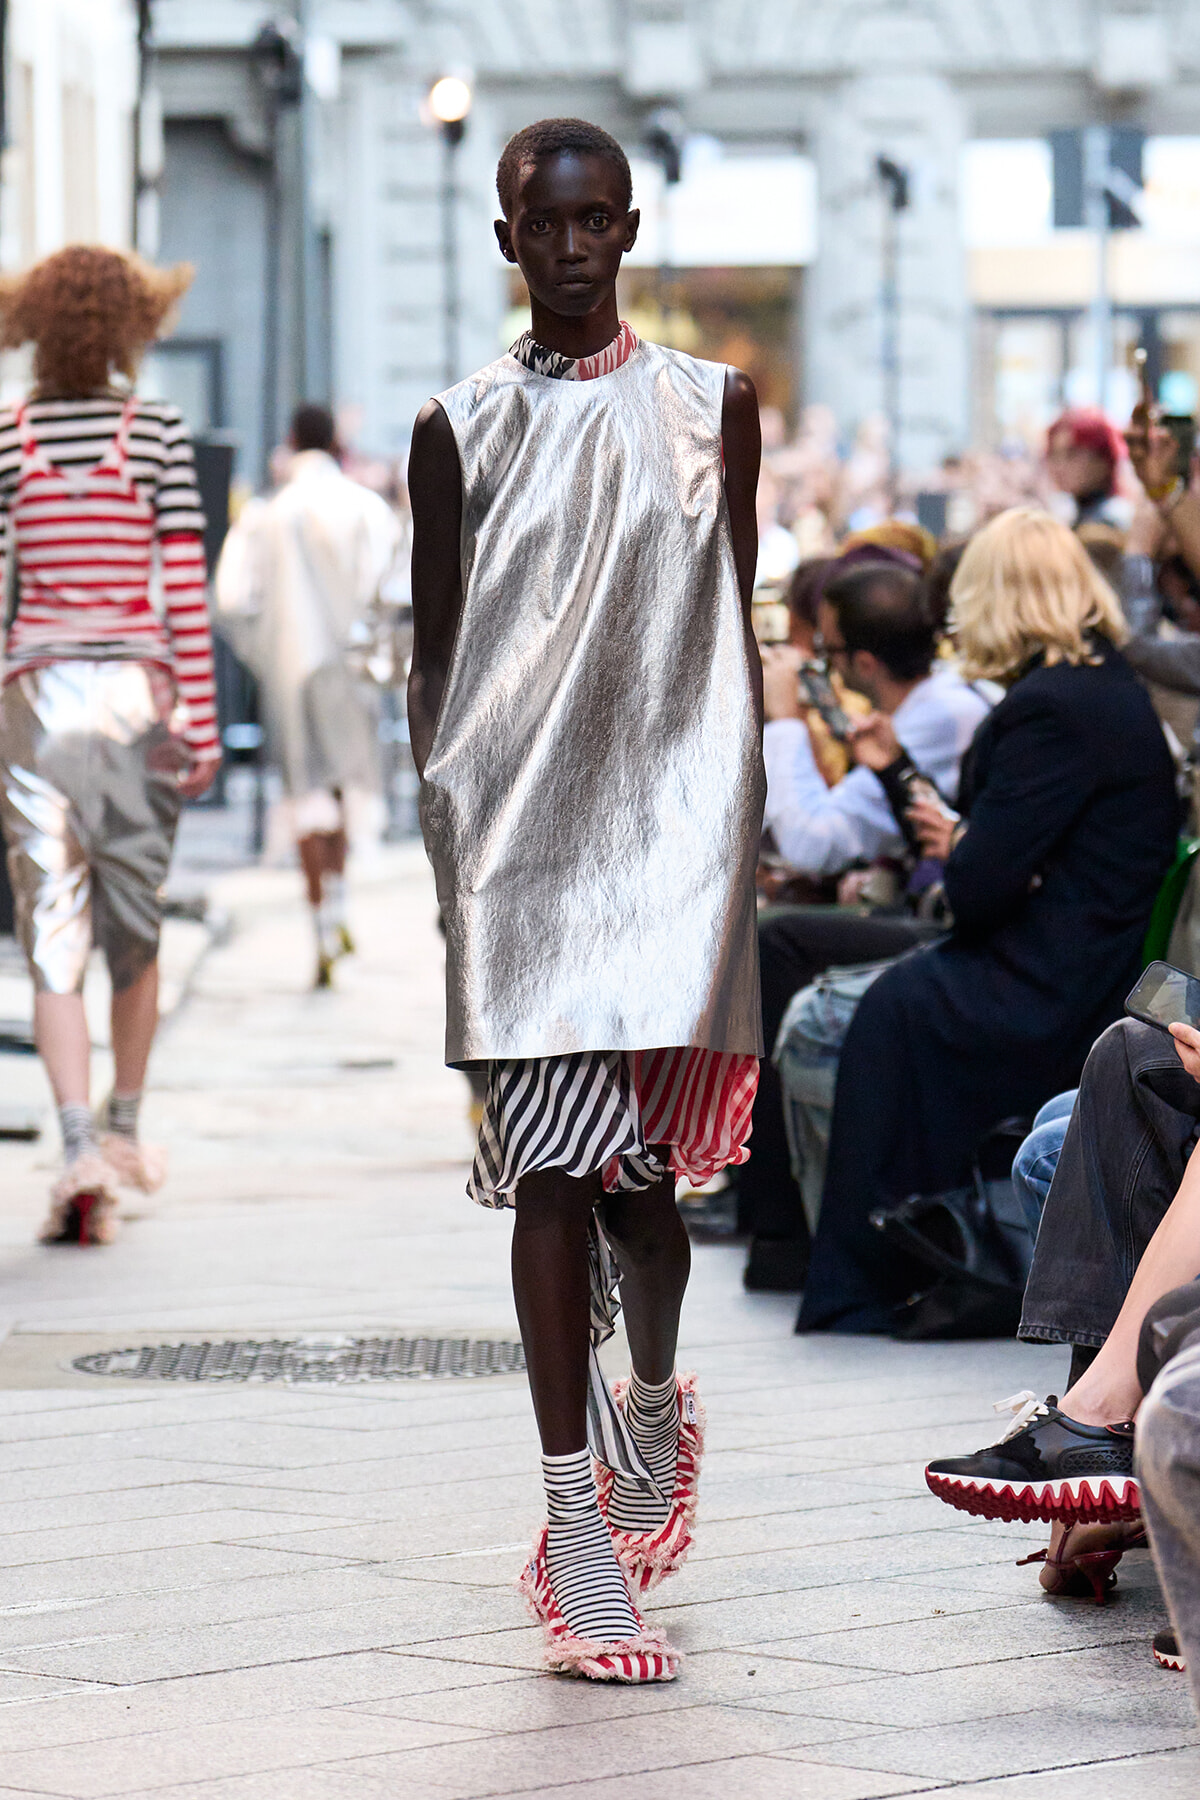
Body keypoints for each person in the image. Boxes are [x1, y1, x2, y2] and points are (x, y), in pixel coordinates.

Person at [407, 118, 763, 1682]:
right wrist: (451, 850)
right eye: (538, 223)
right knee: (552, 1180)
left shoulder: (709, 407)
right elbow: (436, 660)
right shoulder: (458, 424)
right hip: (518, 848)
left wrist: (732, 831)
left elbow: (735, 624)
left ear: (628, 231)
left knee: (645, 1195)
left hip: (672, 841)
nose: (566, 246)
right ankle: (575, 1534)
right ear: (506, 239)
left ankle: (658, 1407)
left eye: (592, 221)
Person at [794, 507, 1178, 1334]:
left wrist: (970, 846)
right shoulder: (1097, 687)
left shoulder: (1050, 706)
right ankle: (855, 1263)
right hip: (1074, 960)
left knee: (890, 1013)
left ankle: (867, 1274)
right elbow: (999, 861)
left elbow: (976, 884)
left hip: (1051, 977)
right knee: (889, 1000)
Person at [0, 247, 219, 1244]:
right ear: (132, 326)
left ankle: (77, 1143)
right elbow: (183, 585)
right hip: (135, 698)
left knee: (53, 928)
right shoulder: (160, 434)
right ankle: (127, 1128)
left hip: (35, 699)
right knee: (136, 929)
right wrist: (200, 724)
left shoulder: (8, 437)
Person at [742, 561, 989, 1291]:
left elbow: (811, 837)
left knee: (780, 939)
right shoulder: (928, 707)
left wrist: (785, 719)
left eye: (826, 647)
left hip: (971, 933)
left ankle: (782, 1223)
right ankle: (773, 1215)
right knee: (784, 929)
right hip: (938, 909)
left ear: (861, 662)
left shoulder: (941, 712)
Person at [216, 404, 401, 987]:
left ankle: (320, 920)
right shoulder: (366, 508)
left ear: (292, 440)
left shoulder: (266, 514)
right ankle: (340, 903)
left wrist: (263, 651)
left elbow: (229, 599)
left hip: (291, 668)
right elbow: (394, 587)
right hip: (350, 671)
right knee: (345, 789)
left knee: (304, 794)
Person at [1045, 407, 1130, 530]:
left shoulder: (1113, 520)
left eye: (1071, 454)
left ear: (1102, 459)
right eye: (1053, 454)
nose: (1059, 466)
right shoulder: (1070, 515)